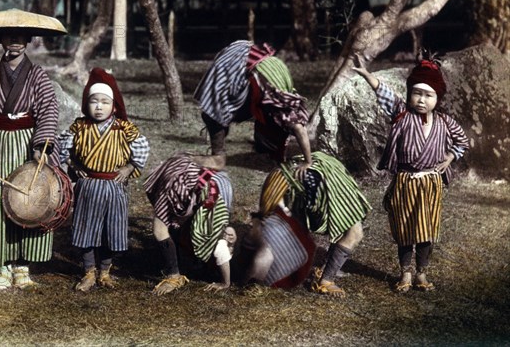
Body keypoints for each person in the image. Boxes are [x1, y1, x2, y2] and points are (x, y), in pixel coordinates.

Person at [352, 52, 469, 292]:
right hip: (405, 181)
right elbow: (384, 94)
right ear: (409, 94)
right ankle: (405, 272)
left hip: (430, 183)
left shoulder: (446, 122)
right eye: (417, 93)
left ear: (438, 98)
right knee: (405, 230)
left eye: (428, 95)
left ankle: (421, 274)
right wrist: (368, 76)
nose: (421, 100)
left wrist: (449, 156)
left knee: (427, 229)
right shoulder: (401, 114)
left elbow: (463, 142)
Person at [0, 29, 61, 291]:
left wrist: (42, 145)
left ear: (28, 41)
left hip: (28, 145)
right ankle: (2, 267)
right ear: (1, 40)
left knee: (30, 199)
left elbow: (48, 110)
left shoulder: (38, 75)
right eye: (8, 36)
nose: (14, 41)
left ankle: (23, 267)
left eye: (20, 36)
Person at [58, 68, 149, 292]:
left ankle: (105, 271)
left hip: (114, 186)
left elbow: (142, 147)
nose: (99, 107)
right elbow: (62, 146)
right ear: (86, 104)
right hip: (89, 185)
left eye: (105, 102)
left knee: (112, 230)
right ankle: (89, 271)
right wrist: (73, 164)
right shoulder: (79, 126)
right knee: (86, 229)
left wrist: (129, 167)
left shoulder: (123, 128)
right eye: (94, 102)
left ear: (115, 105)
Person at [252, 152, 371, 297]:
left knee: (353, 231)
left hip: (317, 175)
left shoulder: (339, 190)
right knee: (354, 233)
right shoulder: (285, 180)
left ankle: (325, 272)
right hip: (309, 177)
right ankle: (326, 280)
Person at [192, 40, 312, 176]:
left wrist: (308, 162)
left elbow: (299, 128)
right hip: (246, 61)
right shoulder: (273, 100)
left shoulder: (276, 100)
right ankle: (221, 152)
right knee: (215, 111)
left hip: (253, 66)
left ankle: (218, 157)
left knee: (213, 113)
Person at [143, 152, 235, 295]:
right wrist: (226, 283)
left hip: (192, 176)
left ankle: (177, 269)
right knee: (160, 229)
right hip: (179, 177)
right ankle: (174, 276)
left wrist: (225, 283)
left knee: (171, 228)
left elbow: (219, 246)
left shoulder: (212, 210)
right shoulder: (202, 202)